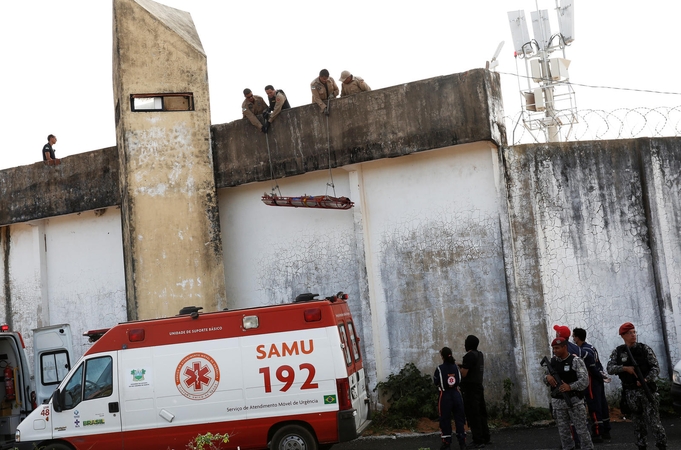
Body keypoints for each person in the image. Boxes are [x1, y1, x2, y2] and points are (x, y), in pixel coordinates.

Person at [607, 322, 667, 450]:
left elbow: (655, 368)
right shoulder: (618, 352)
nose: (633, 335)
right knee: (638, 423)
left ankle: (661, 445)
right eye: (629, 333)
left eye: (634, 332)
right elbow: (610, 369)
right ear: (623, 335)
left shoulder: (644, 349)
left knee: (654, 422)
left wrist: (646, 379)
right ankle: (641, 445)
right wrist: (624, 368)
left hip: (646, 390)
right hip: (630, 392)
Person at [544, 337, 594, 450]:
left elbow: (584, 381)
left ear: (565, 347)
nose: (554, 351)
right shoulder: (552, 362)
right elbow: (544, 378)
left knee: (582, 431)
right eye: (553, 348)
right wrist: (547, 377)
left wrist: (570, 387)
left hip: (574, 402)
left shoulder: (576, 361)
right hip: (558, 404)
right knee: (564, 433)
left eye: (557, 348)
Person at [572, 327, 611, 443]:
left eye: (573, 336)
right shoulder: (591, 348)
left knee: (594, 405)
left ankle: (597, 432)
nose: (573, 339)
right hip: (598, 379)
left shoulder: (583, 351)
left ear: (577, 338)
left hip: (591, 381)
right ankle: (606, 430)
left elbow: (590, 368)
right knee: (602, 404)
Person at [458, 335, 490, 448]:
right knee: (481, 413)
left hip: (470, 389)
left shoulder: (469, 356)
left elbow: (464, 373)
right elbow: (472, 367)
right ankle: (486, 437)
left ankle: (478, 440)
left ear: (469, 344)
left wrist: (459, 368)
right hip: (478, 386)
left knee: (473, 414)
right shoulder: (479, 355)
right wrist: (461, 365)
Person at [434, 347, 466, 450]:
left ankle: (447, 443)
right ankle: (462, 442)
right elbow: (460, 380)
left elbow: (436, 382)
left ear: (442, 356)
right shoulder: (456, 367)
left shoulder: (439, 369)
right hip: (456, 394)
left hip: (445, 395)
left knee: (445, 419)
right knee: (459, 419)